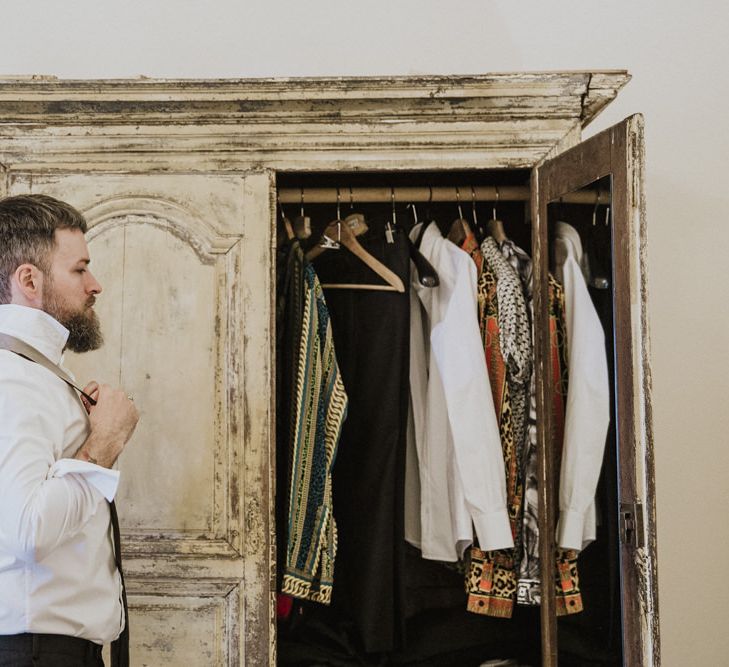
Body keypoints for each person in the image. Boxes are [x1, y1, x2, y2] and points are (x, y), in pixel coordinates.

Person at [0, 194, 139, 666]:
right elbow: (27, 530)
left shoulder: (31, 373)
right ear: (29, 280)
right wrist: (106, 441)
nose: (95, 284)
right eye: (80, 269)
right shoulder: (13, 377)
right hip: (35, 652)